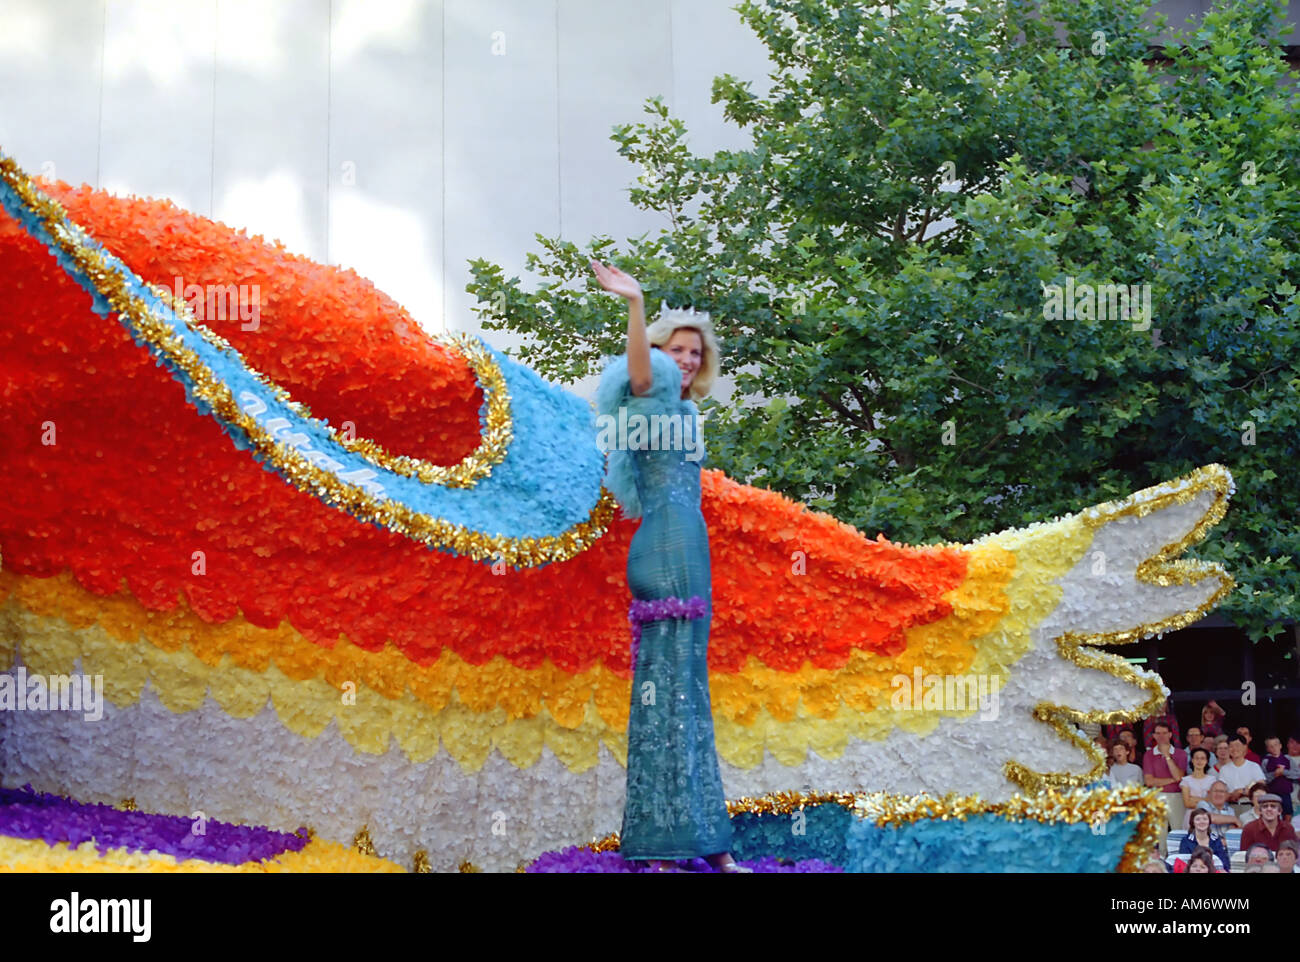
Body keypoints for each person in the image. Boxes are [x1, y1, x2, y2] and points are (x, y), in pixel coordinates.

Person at [591, 262, 746, 874]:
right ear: (659, 352)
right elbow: (637, 371)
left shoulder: (683, 414)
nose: (684, 359)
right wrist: (635, 304)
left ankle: (699, 840)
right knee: (671, 697)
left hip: (691, 550)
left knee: (685, 697)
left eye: (693, 352)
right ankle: (668, 845)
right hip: (663, 552)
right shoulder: (649, 390)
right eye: (676, 349)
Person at [1143, 720, 1186, 795]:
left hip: (1177, 795)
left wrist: (1167, 756)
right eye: (1158, 733)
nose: (1161, 736)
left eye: (1164, 733)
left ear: (1170, 734)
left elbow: (1178, 776)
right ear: (1154, 736)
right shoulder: (1149, 754)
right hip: (1156, 795)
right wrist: (1173, 780)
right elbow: (1149, 782)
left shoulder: (1181, 753)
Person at [1219, 735, 1267, 802]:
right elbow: (1221, 791)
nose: (1234, 748)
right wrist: (1232, 795)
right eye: (1231, 746)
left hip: (1250, 805)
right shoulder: (1224, 769)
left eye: (1237, 745)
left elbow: (1261, 787)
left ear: (1245, 747)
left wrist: (1242, 791)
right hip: (1230, 806)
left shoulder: (1253, 766)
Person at [1180, 747, 1217, 824]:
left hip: (1208, 816)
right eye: (1197, 758)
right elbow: (1187, 803)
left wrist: (1193, 798)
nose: (1199, 761)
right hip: (1191, 816)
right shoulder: (1186, 780)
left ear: (1207, 761)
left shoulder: (1212, 780)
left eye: (1202, 758)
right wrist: (1205, 800)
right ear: (1192, 760)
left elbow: (1213, 801)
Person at [1260, 736, 1293, 819]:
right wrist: (1274, 774)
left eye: (1276, 745)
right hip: (1272, 792)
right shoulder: (1266, 761)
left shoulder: (1287, 759)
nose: (1274, 748)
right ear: (1267, 749)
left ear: (1280, 746)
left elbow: (1296, 773)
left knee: (1287, 812)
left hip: (1285, 792)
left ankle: (1286, 829)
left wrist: (1284, 772)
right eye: (1271, 746)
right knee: (1273, 812)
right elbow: (1263, 778)